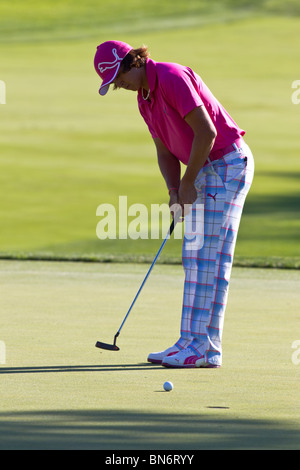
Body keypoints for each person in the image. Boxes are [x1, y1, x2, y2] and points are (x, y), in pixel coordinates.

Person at [94, 40, 254, 368]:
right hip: (209, 167)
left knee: (204, 255)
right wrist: (172, 190)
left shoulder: (170, 77)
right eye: (112, 82)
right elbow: (165, 150)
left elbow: (206, 133)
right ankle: (199, 346)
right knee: (201, 256)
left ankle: (198, 346)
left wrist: (188, 181)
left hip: (226, 163)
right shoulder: (144, 100)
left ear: (133, 61)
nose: (118, 85)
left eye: (118, 76)